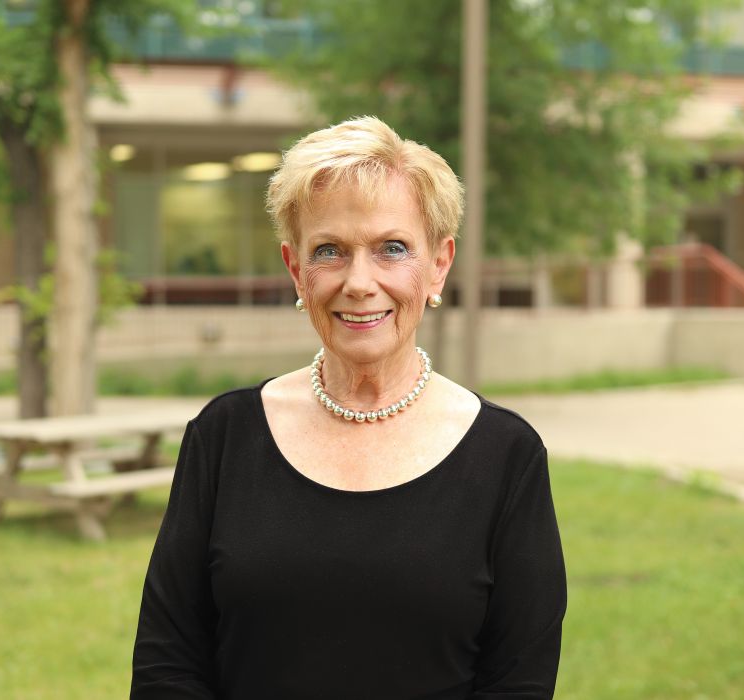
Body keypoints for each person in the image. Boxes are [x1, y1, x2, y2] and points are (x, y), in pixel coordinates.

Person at [131, 116, 566, 699]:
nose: (359, 282)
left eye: (392, 249)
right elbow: (167, 665)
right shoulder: (224, 436)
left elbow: (518, 684)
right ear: (296, 270)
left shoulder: (506, 456)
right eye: (330, 251)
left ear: (439, 265)